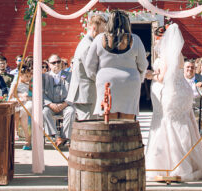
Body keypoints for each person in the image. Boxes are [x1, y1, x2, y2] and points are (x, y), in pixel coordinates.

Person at [146, 24, 202, 181]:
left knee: (167, 124)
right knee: (183, 123)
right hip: (182, 91)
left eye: (157, 39)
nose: (156, 43)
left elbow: (162, 77)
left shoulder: (166, 55)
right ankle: (189, 161)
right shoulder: (178, 53)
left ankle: (171, 163)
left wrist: (149, 75)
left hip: (172, 93)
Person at [82, 9, 148, 120]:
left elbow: (89, 65)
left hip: (106, 82)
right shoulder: (135, 39)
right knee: (127, 120)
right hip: (130, 82)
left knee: (109, 118)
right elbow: (143, 65)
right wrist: (140, 77)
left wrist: (97, 77)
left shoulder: (99, 39)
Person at [65, 12, 107, 140]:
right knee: (88, 128)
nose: (103, 33)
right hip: (86, 93)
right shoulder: (87, 45)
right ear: (94, 28)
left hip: (86, 92)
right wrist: (105, 81)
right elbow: (91, 71)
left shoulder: (87, 42)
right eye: (102, 30)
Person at [42, 63, 72, 148]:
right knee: (45, 112)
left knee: (71, 111)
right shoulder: (44, 77)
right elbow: (41, 93)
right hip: (50, 105)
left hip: (65, 105)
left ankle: (64, 137)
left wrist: (65, 104)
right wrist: (50, 104)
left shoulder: (69, 75)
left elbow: (73, 91)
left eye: (58, 62)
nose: (57, 64)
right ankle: (56, 137)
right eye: (53, 62)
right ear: (49, 65)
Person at [11, 57, 35, 148]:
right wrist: (20, 97)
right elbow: (13, 92)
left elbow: (33, 90)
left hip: (27, 101)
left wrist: (28, 97)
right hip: (18, 100)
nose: (29, 77)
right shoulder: (18, 79)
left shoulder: (31, 80)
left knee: (25, 117)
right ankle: (17, 133)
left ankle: (28, 140)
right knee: (18, 113)